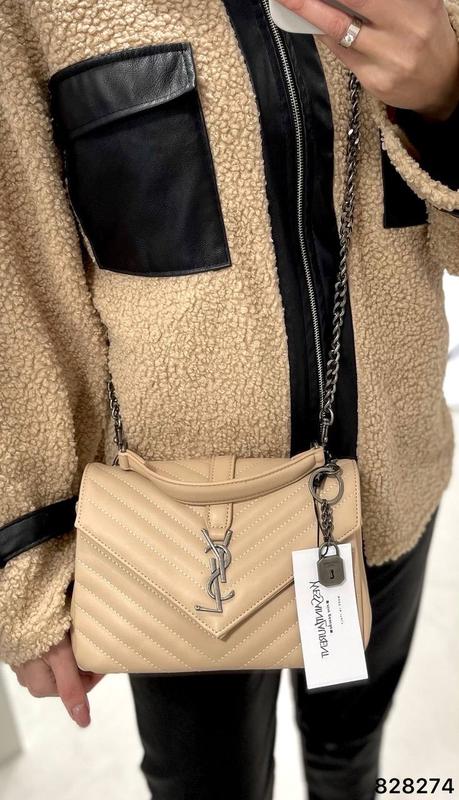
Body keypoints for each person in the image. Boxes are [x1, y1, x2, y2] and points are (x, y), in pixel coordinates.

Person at [0, 1, 458, 798]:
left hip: (391, 480)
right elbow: (19, 285)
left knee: (349, 754)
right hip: (172, 529)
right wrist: (23, 560)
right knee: (205, 784)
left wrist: (447, 100)